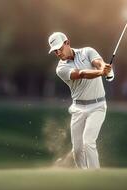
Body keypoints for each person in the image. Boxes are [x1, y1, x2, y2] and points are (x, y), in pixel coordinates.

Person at [48, 32, 112, 169]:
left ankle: (95, 176)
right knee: (77, 150)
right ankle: (83, 178)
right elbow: (81, 74)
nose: (58, 53)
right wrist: (101, 73)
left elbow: (98, 62)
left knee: (88, 142)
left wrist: (104, 68)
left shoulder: (87, 51)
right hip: (78, 109)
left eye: (60, 48)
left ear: (67, 43)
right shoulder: (61, 68)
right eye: (55, 51)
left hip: (98, 106)